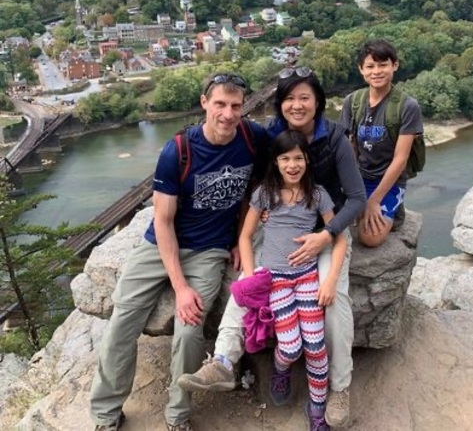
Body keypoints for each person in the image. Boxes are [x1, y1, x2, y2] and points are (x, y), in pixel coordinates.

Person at [178, 67, 366, 429]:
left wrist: (327, 234)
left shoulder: (335, 138)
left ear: (318, 102)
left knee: (334, 298)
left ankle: (339, 387)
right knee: (249, 281)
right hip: (279, 224)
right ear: (280, 104)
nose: (297, 105)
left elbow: (357, 197)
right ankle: (223, 360)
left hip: (325, 228)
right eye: (289, 98)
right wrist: (242, 233)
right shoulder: (272, 134)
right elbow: (251, 177)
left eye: (305, 98)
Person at [89, 73, 268, 431]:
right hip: (160, 246)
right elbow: (163, 220)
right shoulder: (178, 150)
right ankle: (106, 414)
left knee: (188, 333)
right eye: (219, 104)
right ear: (204, 103)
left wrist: (240, 237)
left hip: (209, 250)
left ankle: (177, 415)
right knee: (122, 324)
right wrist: (180, 287)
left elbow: (263, 181)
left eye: (235, 106)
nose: (228, 114)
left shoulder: (253, 139)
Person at [237, 129, 348, 431]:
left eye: (298, 158)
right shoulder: (265, 193)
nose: (292, 165)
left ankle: (317, 408)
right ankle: (281, 369)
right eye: (285, 159)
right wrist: (251, 277)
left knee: (315, 346)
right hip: (276, 280)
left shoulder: (318, 194)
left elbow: (338, 238)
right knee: (290, 348)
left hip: (306, 277)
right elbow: (246, 237)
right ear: (275, 162)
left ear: (307, 160)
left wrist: (330, 280)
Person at [340, 39, 424, 247]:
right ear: (361, 69)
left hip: (389, 180)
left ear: (394, 65)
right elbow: (348, 147)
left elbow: (401, 159)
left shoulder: (407, 106)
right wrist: (352, 190)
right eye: (370, 66)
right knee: (325, 215)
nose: (376, 71)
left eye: (383, 65)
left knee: (370, 238)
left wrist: (373, 201)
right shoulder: (353, 102)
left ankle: (395, 210)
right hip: (360, 176)